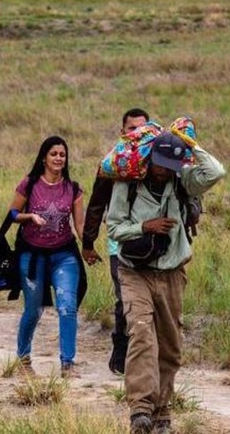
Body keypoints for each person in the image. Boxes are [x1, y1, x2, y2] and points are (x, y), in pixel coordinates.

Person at [107, 132, 225, 434]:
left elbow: (215, 172)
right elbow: (115, 228)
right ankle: (140, 409)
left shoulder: (182, 180)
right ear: (149, 159)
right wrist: (144, 227)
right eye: (159, 164)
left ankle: (161, 409)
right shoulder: (128, 185)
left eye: (169, 164)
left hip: (172, 271)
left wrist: (192, 145)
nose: (163, 170)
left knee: (171, 347)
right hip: (135, 271)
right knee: (142, 334)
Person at [9, 136, 87, 378]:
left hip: (64, 255)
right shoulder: (29, 184)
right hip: (32, 256)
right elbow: (12, 213)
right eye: (53, 154)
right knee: (33, 310)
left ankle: (68, 363)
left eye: (62, 154)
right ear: (44, 157)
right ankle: (23, 360)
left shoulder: (73, 188)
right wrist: (29, 216)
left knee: (67, 307)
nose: (58, 158)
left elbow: (80, 226)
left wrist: (91, 247)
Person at [82, 108, 150, 375]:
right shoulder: (113, 164)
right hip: (119, 243)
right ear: (122, 132)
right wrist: (88, 242)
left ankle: (143, 353)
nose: (137, 133)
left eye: (142, 128)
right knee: (125, 300)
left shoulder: (156, 160)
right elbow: (97, 203)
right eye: (132, 128)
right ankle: (121, 349)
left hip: (152, 240)